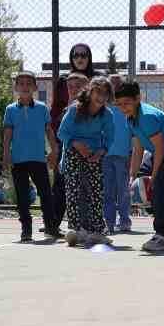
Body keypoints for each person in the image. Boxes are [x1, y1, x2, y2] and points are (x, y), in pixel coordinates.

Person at [115, 80, 164, 254]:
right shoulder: (130, 119)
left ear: (137, 98)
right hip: (161, 152)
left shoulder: (148, 116)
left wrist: (155, 175)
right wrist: (133, 175)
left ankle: (161, 236)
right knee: (140, 185)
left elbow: (160, 146)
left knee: (157, 185)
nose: (123, 108)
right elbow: (138, 147)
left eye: (126, 103)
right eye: (119, 104)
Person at [57, 76, 113, 246]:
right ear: (90, 91)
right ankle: (74, 229)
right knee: (73, 188)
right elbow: (62, 132)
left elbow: (110, 137)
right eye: (98, 92)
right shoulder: (75, 110)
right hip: (74, 151)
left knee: (96, 191)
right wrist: (76, 144)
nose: (101, 97)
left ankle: (97, 230)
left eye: (105, 94)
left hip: (94, 154)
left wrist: (101, 152)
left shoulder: (107, 114)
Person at [3, 70, 58, 242]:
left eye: (29, 84)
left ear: (35, 87)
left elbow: (49, 131)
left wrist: (53, 150)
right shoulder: (10, 110)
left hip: (38, 159)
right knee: (22, 197)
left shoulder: (42, 108)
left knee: (46, 193)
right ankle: (26, 229)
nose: (25, 87)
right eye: (21, 84)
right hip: (18, 160)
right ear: (16, 87)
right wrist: (6, 155)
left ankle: (51, 227)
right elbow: (7, 134)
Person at [48, 42, 95, 230]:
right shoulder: (63, 81)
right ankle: (53, 223)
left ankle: (89, 223)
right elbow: (55, 110)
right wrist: (54, 141)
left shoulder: (96, 79)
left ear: (89, 57)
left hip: (90, 139)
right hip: (67, 138)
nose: (80, 58)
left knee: (89, 182)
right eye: (76, 55)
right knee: (61, 180)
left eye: (84, 54)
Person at [102, 73, 134, 235]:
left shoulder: (127, 108)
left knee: (123, 190)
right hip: (105, 155)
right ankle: (108, 221)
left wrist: (131, 152)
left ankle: (125, 220)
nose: (115, 86)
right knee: (107, 190)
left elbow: (133, 132)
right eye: (112, 83)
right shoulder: (103, 107)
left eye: (118, 84)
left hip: (122, 154)